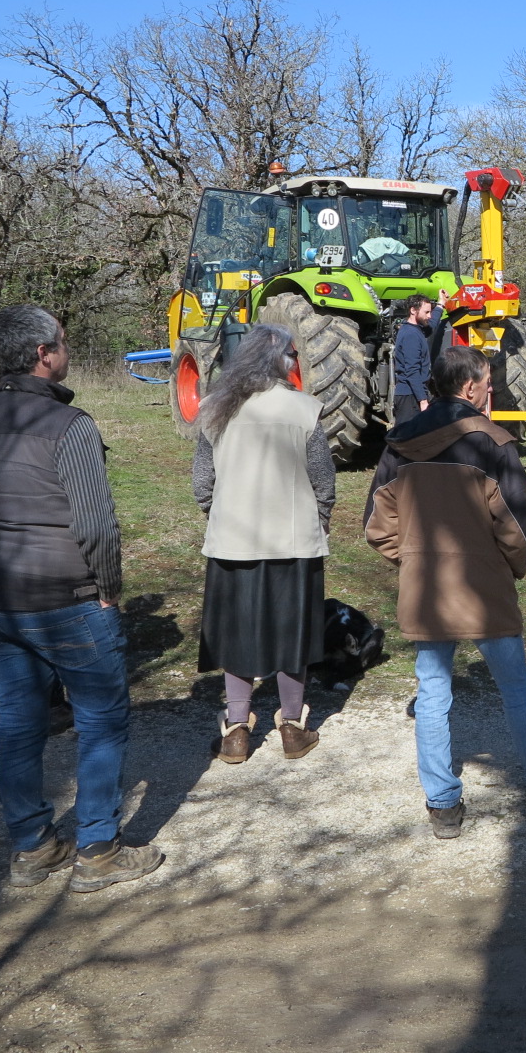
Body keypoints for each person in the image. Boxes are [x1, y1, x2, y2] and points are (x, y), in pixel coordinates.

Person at [0, 305, 162, 892]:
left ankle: (33, 846)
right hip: (65, 596)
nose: (67, 350)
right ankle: (98, 847)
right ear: (44, 354)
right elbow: (96, 526)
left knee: (18, 717)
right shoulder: (70, 425)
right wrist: (108, 591)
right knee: (100, 719)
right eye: (64, 342)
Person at [365, 345, 526, 838]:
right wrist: (508, 569)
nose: (491, 390)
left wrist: (416, 561)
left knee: (433, 692)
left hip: (425, 590)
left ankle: (443, 805)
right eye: (487, 382)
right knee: (515, 689)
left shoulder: (398, 445)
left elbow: (377, 526)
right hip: (485, 588)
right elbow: (518, 529)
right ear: (469, 388)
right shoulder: (495, 444)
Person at [193, 324, 334, 763]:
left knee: (236, 633)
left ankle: (236, 728)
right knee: (293, 633)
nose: (296, 362)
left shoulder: (215, 409)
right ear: (282, 361)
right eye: (293, 355)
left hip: (233, 540)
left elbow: (203, 481)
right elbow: (323, 481)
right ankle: (292, 725)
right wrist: (320, 521)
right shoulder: (305, 410)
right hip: (294, 541)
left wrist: (217, 515)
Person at [392, 295, 437, 427]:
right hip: (409, 397)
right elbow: (412, 370)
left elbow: (432, 325)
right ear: (413, 310)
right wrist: (422, 400)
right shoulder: (410, 335)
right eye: (426, 312)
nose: (429, 316)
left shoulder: (416, 330)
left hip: (413, 394)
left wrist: (441, 305)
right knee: (406, 441)